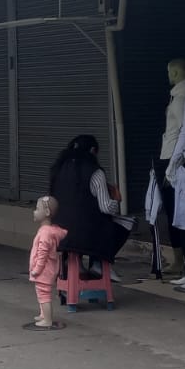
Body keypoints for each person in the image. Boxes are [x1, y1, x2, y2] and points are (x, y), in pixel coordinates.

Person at [47, 134, 130, 279]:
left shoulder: (57, 170)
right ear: (92, 151)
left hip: (58, 235)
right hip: (86, 236)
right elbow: (106, 207)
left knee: (75, 218)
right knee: (127, 223)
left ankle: (73, 262)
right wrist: (116, 199)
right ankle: (99, 261)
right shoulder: (95, 172)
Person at [26, 196, 66, 331]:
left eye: (37, 209)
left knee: (44, 295)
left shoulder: (45, 233)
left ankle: (47, 320)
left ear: (47, 213)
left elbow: (42, 254)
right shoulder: (48, 231)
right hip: (48, 269)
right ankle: (43, 315)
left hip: (44, 270)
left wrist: (37, 269)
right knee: (41, 293)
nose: (34, 211)